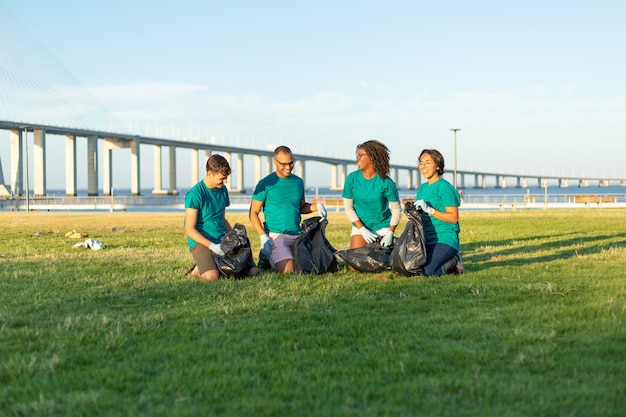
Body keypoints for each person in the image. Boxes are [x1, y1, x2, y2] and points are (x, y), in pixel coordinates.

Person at [249, 145, 327, 273]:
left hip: (297, 235)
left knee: (312, 267)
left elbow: (302, 207)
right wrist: (263, 237)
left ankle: (277, 257)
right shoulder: (265, 183)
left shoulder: (298, 182)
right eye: (283, 164)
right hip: (276, 236)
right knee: (290, 270)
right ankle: (268, 257)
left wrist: (316, 207)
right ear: (275, 162)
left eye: (291, 163)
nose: (288, 167)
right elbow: (253, 213)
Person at [185, 154, 259, 280]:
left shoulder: (222, 190)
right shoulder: (195, 194)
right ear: (209, 174)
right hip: (202, 241)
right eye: (222, 178)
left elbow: (222, 218)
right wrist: (212, 246)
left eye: (226, 178)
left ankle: (210, 263)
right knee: (212, 276)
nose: (225, 182)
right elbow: (189, 229)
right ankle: (199, 268)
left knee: (253, 271)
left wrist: (231, 237)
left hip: (221, 238)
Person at [342, 140, 401, 251]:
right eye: (357, 155)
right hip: (360, 226)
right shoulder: (352, 178)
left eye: (360, 155)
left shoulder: (386, 182)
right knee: (353, 266)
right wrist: (362, 229)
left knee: (380, 263)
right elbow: (348, 208)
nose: (357, 159)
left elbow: (396, 209)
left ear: (372, 157)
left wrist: (390, 233)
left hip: (382, 226)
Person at [414, 149, 464, 276]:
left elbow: (453, 218)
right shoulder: (422, 189)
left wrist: (430, 210)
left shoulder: (445, 188)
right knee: (412, 268)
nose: (423, 166)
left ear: (437, 166)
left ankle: (453, 261)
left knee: (428, 272)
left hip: (444, 238)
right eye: (421, 163)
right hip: (426, 239)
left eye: (428, 163)